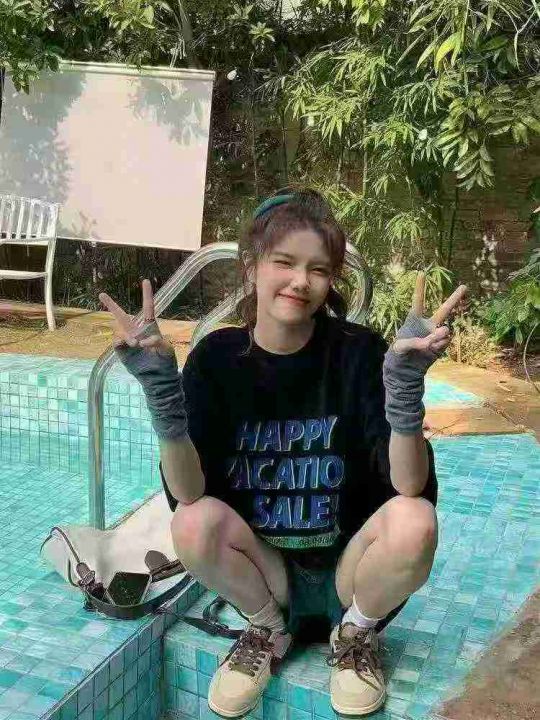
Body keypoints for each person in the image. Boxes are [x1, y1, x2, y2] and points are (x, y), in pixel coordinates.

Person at [99, 189, 467, 718]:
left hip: (350, 571)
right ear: (252, 266)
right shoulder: (217, 359)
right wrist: (162, 395)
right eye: (285, 262)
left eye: (318, 269)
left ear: (331, 280)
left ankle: (355, 634)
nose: (300, 281)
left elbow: (409, 487)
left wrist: (405, 389)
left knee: (416, 519)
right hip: (268, 574)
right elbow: (188, 493)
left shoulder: (358, 353)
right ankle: (267, 629)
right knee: (192, 522)